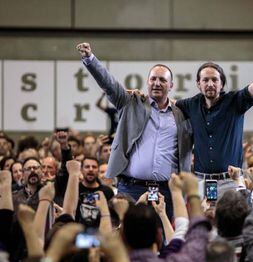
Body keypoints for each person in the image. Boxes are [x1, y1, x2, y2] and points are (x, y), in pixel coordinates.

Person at [77, 42, 192, 220]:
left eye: (162, 80)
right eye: (153, 79)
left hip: (166, 191)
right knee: (128, 241)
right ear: (147, 82)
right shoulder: (131, 103)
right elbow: (109, 84)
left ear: (171, 85)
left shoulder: (182, 114)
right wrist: (90, 59)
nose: (157, 83)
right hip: (131, 189)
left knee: (165, 241)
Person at [175, 43, 253, 196]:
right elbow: (167, 103)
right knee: (204, 220)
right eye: (205, 80)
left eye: (215, 80)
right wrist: (138, 97)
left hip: (230, 181)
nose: (210, 84)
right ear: (198, 84)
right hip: (202, 183)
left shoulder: (235, 101)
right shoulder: (191, 104)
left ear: (221, 83)